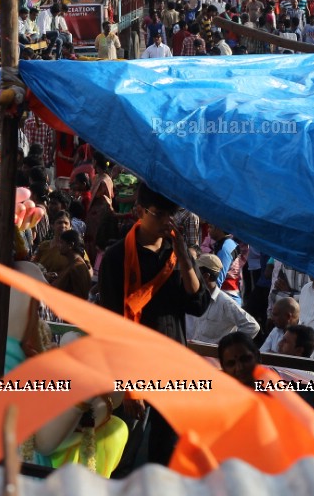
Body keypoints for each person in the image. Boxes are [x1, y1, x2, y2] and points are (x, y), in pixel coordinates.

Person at [97, 183, 209, 463]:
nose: (166, 222)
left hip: (172, 365)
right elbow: (111, 325)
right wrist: (129, 387)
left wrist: (185, 255)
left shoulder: (177, 254)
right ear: (139, 211)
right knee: (124, 452)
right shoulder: (117, 256)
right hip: (134, 368)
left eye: (171, 215)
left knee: (167, 451)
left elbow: (199, 304)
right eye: (159, 214)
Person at [185, 253, 260, 344]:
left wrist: (229, 346)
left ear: (206, 276)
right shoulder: (192, 298)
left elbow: (252, 326)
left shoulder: (225, 302)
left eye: (195, 272)